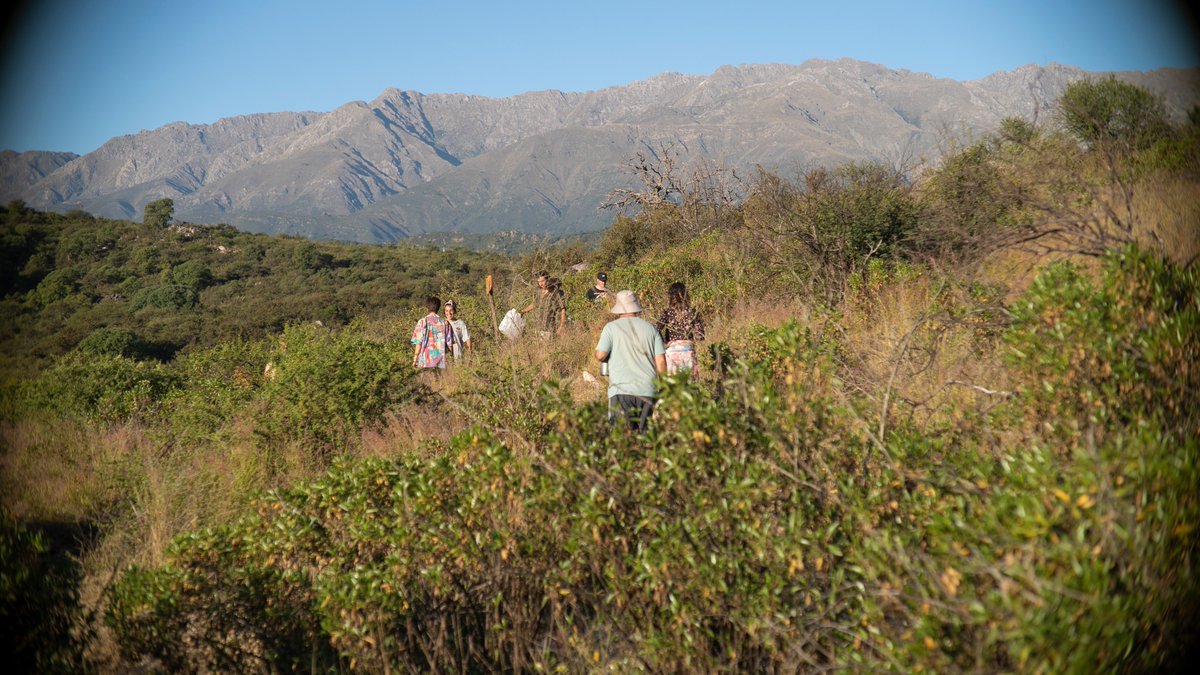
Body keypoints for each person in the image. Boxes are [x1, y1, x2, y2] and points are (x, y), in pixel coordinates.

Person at [595, 290, 666, 432]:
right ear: (636, 307)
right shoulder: (651, 329)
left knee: (622, 441)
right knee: (646, 437)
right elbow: (661, 361)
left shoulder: (611, 328)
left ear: (618, 309)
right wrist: (663, 388)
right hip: (648, 391)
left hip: (621, 390)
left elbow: (600, 355)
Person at [655, 282, 705, 375]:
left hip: (672, 352)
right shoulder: (692, 312)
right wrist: (691, 342)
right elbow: (700, 335)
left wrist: (664, 344)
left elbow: (655, 330)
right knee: (690, 385)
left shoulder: (667, 313)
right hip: (688, 351)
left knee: (673, 385)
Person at [411, 296, 457, 373]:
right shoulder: (445, 323)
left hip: (425, 361)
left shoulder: (422, 322)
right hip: (441, 362)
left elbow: (418, 343)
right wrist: (452, 358)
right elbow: (449, 344)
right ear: (438, 308)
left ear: (428, 307)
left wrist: (415, 359)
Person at [520, 270, 566, 338]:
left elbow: (563, 309)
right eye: (539, 282)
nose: (541, 284)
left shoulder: (555, 292)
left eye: (542, 281)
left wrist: (561, 326)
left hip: (549, 328)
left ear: (548, 280)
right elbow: (535, 304)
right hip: (538, 328)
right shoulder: (539, 292)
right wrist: (522, 311)